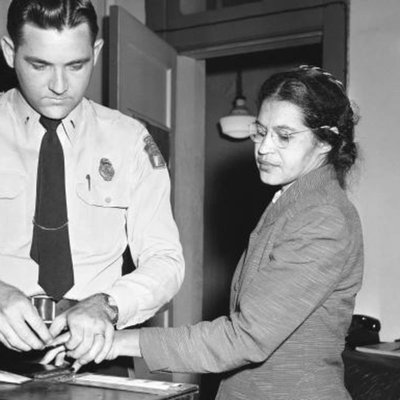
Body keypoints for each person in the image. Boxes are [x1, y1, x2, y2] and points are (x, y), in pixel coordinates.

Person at [49, 65, 363, 398]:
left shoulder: (323, 217)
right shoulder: (296, 201)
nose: (264, 148)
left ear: (326, 141)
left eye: (284, 136)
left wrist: (115, 342)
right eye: (261, 131)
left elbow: (246, 338)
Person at [0, 0, 184, 370]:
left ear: (96, 53)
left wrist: (109, 304)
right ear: (9, 52)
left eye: (76, 65)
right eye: (39, 65)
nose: (59, 85)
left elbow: (166, 260)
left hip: (97, 356)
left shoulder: (130, 141)